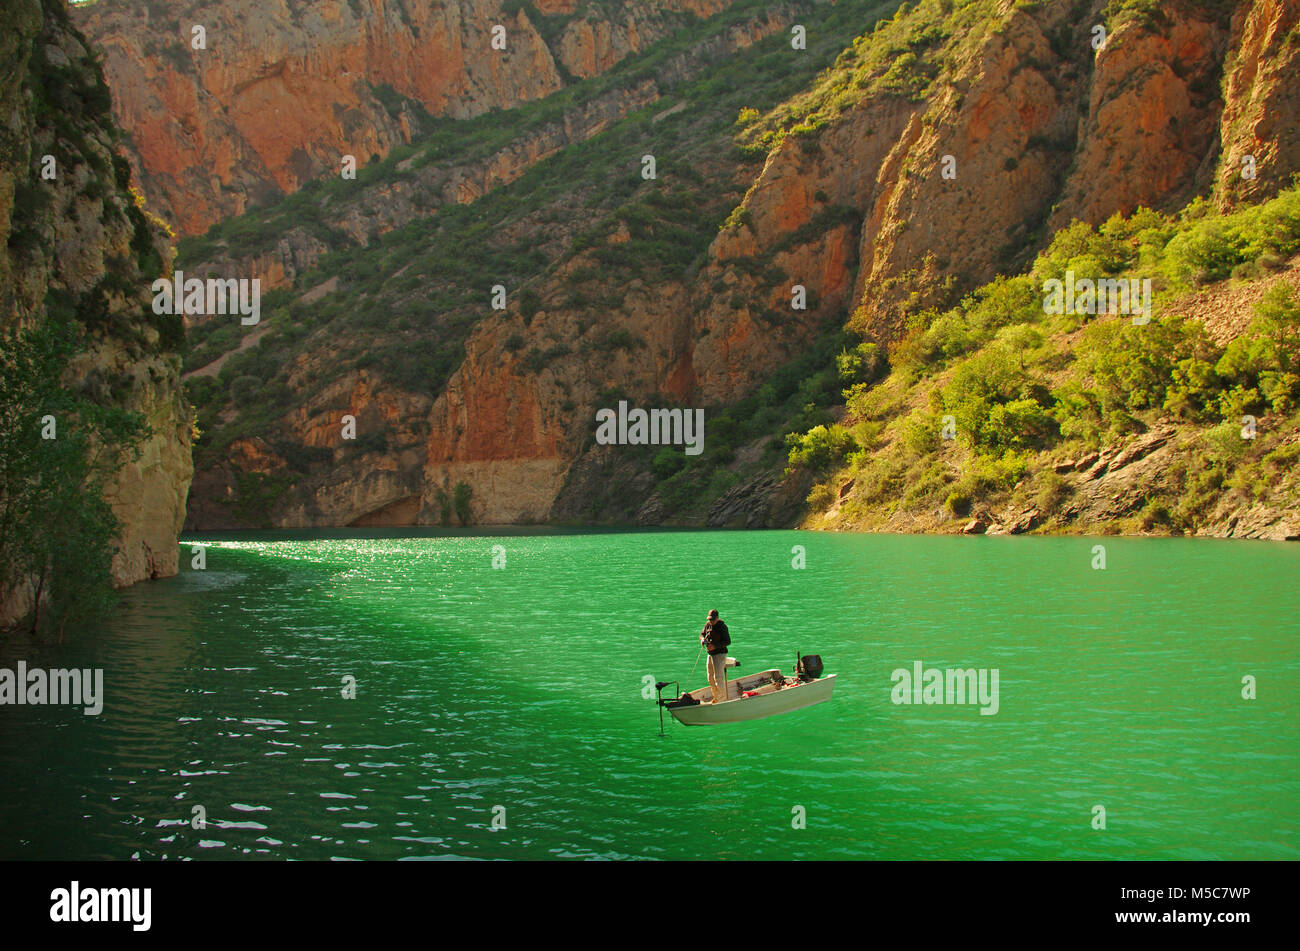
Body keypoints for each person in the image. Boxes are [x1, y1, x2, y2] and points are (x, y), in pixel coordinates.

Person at [700, 609, 731, 704]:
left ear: (717, 618)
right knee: (710, 677)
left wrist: (715, 646)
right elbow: (702, 634)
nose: (711, 621)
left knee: (718, 677)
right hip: (711, 655)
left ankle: (722, 699)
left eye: (713, 619)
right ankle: (716, 697)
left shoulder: (722, 627)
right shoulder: (707, 625)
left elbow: (728, 641)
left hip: (720, 654)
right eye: (709, 619)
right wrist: (702, 640)